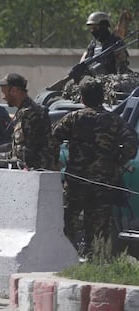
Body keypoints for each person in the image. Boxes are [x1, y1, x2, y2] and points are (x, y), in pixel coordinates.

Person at [52, 80, 138, 257]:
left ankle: (64, 260)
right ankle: (96, 263)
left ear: (82, 98)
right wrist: (118, 160)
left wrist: (55, 161)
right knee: (99, 228)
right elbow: (131, 145)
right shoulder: (114, 121)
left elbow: (53, 138)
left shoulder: (73, 118)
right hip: (103, 183)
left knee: (68, 223)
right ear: (103, 97)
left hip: (76, 182)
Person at [0, 73, 54, 169]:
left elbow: (25, 152)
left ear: (14, 91)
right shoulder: (26, 111)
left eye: (4, 92)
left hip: (34, 173)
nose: (3, 97)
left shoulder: (28, 113)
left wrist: (3, 157)